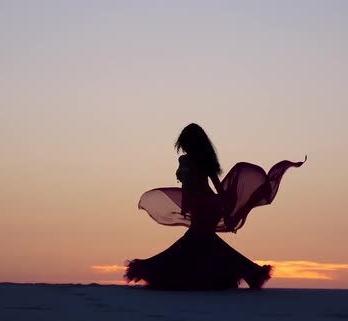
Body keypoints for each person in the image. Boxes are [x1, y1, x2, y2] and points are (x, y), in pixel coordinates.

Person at [125, 123, 305, 290]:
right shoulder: (183, 160)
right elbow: (186, 185)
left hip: (208, 204)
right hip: (197, 204)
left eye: (186, 142)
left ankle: (165, 272)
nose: (184, 145)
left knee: (196, 240)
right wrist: (186, 204)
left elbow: (217, 186)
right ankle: (243, 273)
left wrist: (225, 212)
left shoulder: (204, 161)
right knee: (205, 242)